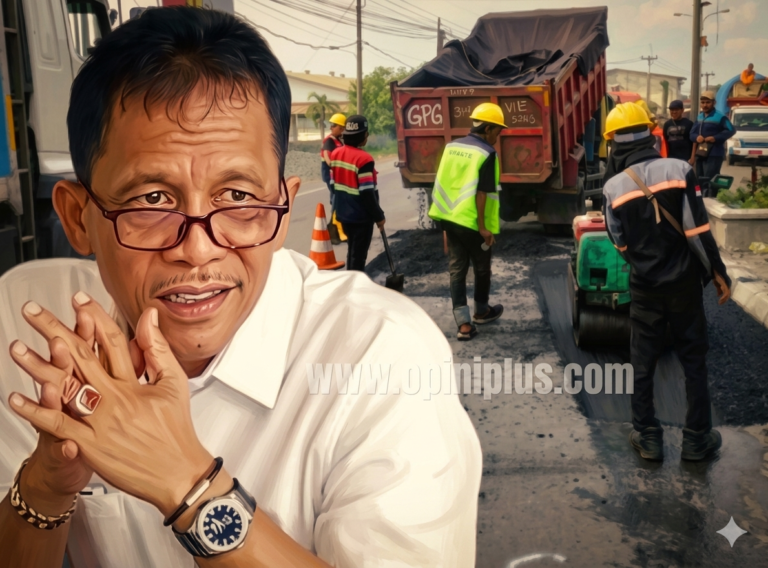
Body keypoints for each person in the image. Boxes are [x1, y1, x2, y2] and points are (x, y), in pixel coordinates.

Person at [0, 8, 482, 568]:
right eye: (152, 200)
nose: (199, 248)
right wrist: (46, 486)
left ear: (283, 207)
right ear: (78, 218)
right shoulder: (33, 328)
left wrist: (186, 486)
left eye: (238, 198)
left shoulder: (379, 356)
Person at [602, 102, 732, 463]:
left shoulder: (613, 187)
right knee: (693, 358)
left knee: (642, 360)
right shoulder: (680, 169)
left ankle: (647, 436)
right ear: (650, 132)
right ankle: (696, 438)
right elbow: (697, 229)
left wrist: (644, 263)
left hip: (645, 286)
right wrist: (718, 273)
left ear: (614, 142)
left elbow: (618, 240)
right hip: (684, 285)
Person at [428, 102, 505, 341]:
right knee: (482, 268)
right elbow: (482, 193)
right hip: (473, 222)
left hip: (449, 218)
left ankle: (463, 324)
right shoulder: (487, 153)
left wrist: (443, 223)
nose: (498, 136)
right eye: (498, 131)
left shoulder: (451, 147)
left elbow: (444, 183)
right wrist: (484, 228)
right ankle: (481, 310)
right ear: (489, 128)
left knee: (457, 269)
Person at [330, 115, 385, 271]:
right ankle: (355, 288)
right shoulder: (364, 160)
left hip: (344, 215)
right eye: (366, 133)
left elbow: (334, 185)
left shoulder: (336, 154)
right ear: (362, 136)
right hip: (360, 218)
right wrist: (379, 216)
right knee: (358, 257)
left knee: (352, 251)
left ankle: (350, 280)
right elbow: (367, 193)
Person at [690, 90, 735, 197]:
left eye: (708, 102)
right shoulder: (700, 117)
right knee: (699, 179)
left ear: (714, 103)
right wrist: (697, 137)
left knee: (710, 180)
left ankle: (711, 202)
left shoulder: (720, 116)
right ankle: (701, 203)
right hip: (701, 153)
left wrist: (715, 138)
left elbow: (731, 130)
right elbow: (692, 133)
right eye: (703, 102)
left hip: (714, 154)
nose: (705, 105)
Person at [320, 113, 347, 244]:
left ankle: (337, 231)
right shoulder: (329, 140)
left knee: (337, 201)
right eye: (331, 125)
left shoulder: (338, 140)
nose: (331, 127)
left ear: (341, 128)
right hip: (331, 174)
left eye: (333, 125)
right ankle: (335, 232)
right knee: (336, 201)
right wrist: (337, 168)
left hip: (336, 174)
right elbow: (327, 157)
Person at [662, 100, 696, 165]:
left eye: (676, 109)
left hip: (686, 158)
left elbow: (693, 142)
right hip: (671, 158)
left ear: (682, 110)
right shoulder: (667, 124)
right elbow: (664, 141)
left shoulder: (689, 124)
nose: (674, 112)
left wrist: (692, 157)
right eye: (672, 110)